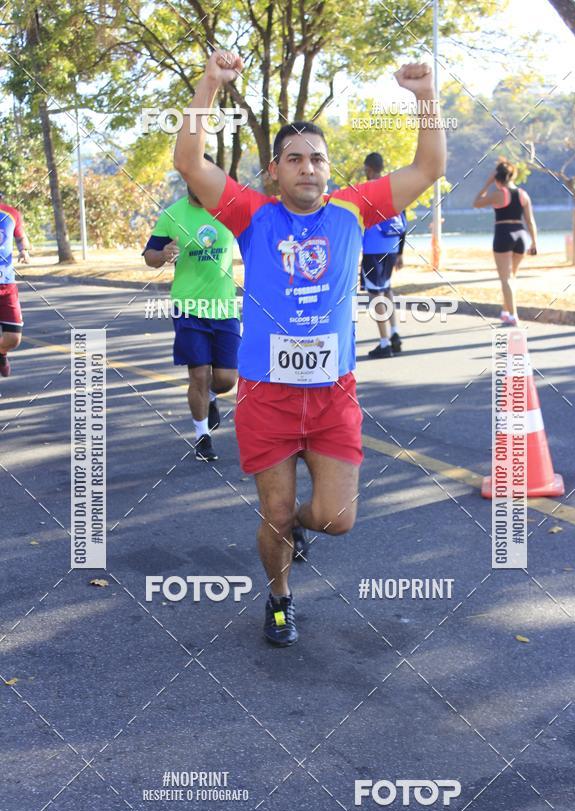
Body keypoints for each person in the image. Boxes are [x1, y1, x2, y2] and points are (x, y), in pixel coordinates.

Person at [174, 49, 445, 646]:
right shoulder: (252, 214)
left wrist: (425, 96)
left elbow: (428, 167)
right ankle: (278, 598)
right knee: (274, 513)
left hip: (332, 396)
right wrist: (210, 84)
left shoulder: (355, 209)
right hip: (268, 397)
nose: (307, 168)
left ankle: (288, 534)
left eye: (317, 159)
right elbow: (189, 161)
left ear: (329, 168)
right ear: (275, 171)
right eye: (294, 159)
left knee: (335, 520)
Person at [143, 154, 240, 462]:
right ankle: (202, 437)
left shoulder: (230, 209)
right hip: (189, 307)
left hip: (224, 307)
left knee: (226, 379)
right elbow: (149, 255)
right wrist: (163, 254)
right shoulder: (173, 215)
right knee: (198, 374)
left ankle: (212, 397)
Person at [473, 158, 538, 326]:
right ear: (512, 176)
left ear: (497, 178)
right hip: (521, 236)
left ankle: (514, 315)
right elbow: (530, 221)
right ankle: (505, 311)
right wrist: (534, 242)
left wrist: (487, 184)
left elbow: (476, 203)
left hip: (504, 235)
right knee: (511, 277)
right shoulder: (524, 194)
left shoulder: (497, 194)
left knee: (505, 278)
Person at [361, 152, 407, 359]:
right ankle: (395, 333)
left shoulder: (366, 190)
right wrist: (400, 252)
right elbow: (403, 219)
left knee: (375, 295)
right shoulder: (394, 188)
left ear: (368, 168)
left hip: (373, 248)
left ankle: (384, 342)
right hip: (392, 247)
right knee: (386, 290)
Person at [0, 194, 30, 377]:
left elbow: (21, 237)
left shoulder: (11, 213)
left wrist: (24, 250)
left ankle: (1, 352)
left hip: (7, 285)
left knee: (13, 339)